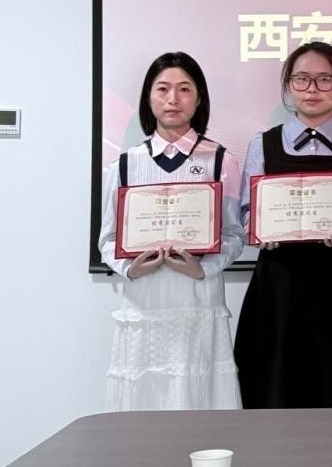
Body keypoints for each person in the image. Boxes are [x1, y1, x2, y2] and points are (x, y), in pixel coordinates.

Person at [234, 41, 332, 408]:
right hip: (280, 288)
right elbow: (246, 213)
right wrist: (260, 230)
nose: (312, 89)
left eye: (324, 80)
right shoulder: (262, 144)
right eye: (302, 79)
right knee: (278, 388)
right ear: (288, 85)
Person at [98, 51, 244, 410]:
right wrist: (130, 268)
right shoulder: (124, 165)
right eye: (162, 89)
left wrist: (203, 267)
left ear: (199, 98)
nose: (173, 99)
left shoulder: (221, 161)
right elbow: (108, 239)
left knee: (201, 403)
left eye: (184, 89)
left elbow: (234, 235)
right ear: (149, 97)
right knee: (143, 410)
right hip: (144, 302)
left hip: (198, 301)